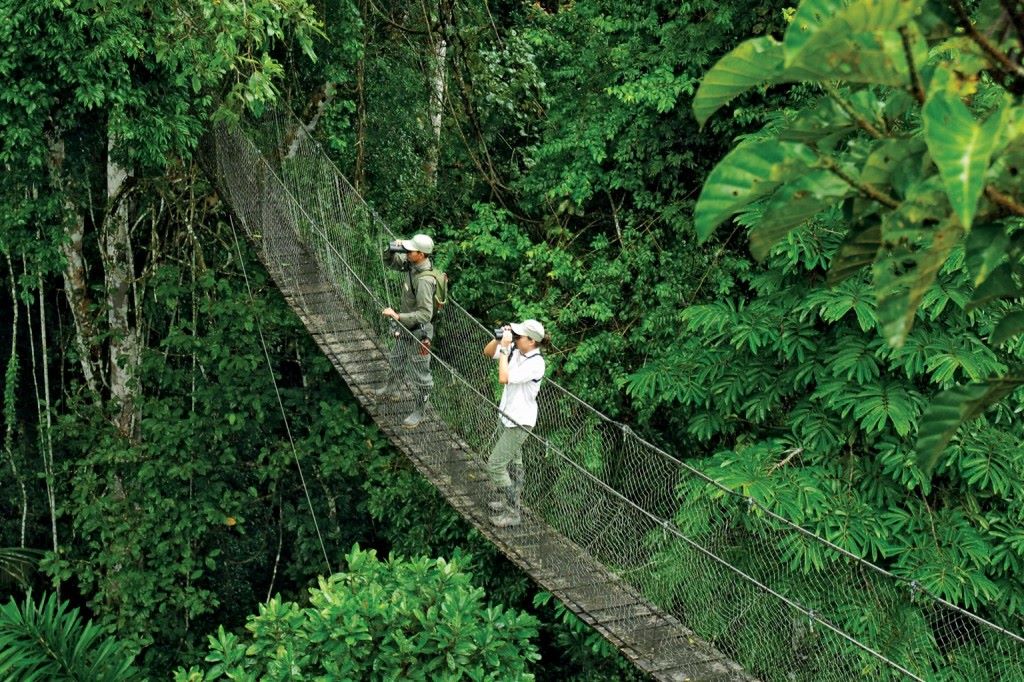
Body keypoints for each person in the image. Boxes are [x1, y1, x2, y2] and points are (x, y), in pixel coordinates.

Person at [375, 233, 446, 428]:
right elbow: (389, 261)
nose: (406, 252)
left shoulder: (424, 281)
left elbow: (424, 315)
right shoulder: (411, 265)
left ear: (421, 254)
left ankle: (419, 410)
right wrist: (391, 248)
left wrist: (398, 317)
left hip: (420, 333)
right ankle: (391, 389)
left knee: (421, 376)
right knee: (396, 358)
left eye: (410, 250)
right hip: (406, 328)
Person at [481, 319, 546, 527]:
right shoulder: (517, 351)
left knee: (495, 465)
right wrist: (500, 339)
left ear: (532, 341)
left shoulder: (536, 363)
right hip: (506, 415)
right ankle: (509, 501)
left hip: (520, 422)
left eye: (520, 336)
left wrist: (506, 349)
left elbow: (503, 377)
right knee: (514, 463)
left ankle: (512, 511)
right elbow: (488, 352)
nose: (517, 338)